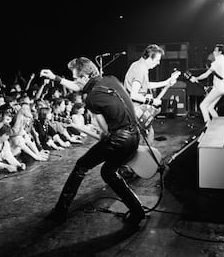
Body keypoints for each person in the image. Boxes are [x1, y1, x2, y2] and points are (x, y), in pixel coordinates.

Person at [42, 57, 145, 226]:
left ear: (85, 77)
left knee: (82, 165)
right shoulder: (110, 80)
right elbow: (80, 86)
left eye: (76, 77)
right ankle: (137, 210)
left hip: (119, 137)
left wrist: (90, 129)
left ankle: (60, 212)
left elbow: (105, 130)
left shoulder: (92, 99)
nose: (74, 81)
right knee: (108, 172)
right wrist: (56, 78)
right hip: (134, 136)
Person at [123, 44, 179, 143]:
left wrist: (166, 82)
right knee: (144, 138)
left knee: (149, 134)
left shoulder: (140, 65)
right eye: (157, 60)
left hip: (134, 108)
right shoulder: (140, 69)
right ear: (149, 57)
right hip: (134, 109)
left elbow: (146, 85)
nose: (158, 63)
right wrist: (152, 101)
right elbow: (134, 94)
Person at [190, 44, 224, 124]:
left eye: (215, 50)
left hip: (218, 88)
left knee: (203, 106)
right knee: (210, 107)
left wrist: (196, 78)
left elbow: (205, 75)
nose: (213, 52)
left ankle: (208, 125)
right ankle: (218, 124)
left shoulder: (216, 63)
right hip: (223, 88)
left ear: (220, 52)